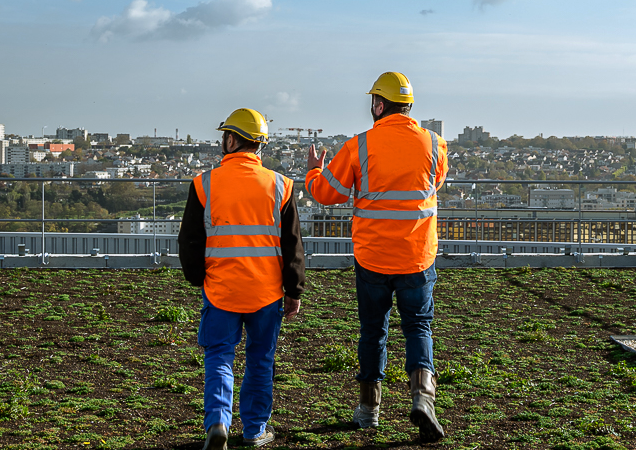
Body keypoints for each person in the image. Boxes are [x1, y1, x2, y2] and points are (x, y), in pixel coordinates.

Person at [303, 71, 449, 442]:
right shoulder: (435, 143)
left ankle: (369, 410)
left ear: (378, 105)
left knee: (373, 332)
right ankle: (423, 398)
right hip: (417, 257)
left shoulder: (359, 146)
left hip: (373, 260)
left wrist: (313, 171)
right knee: (418, 327)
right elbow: (434, 182)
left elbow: (326, 193)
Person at [180, 108, 307, 450]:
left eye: (225, 136)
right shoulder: (281, 186)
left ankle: (218, 422)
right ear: (259, 145)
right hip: (266, 294)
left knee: (219, 355)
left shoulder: (204, 184)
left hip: (221, 290)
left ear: (232, 139)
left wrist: (198, 278)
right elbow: (292, 244)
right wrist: (294, 289)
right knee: (260, 359)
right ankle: (254, 431)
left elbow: (190, 240)